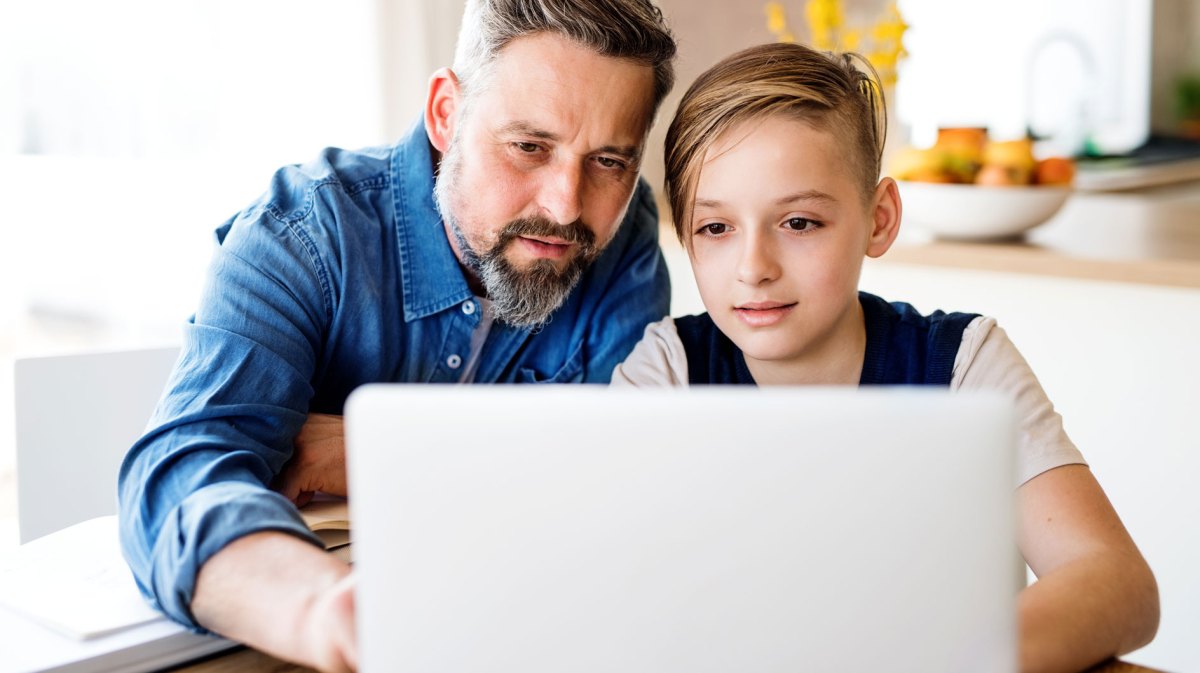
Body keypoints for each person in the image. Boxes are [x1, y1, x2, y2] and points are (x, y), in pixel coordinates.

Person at [117, 1, 676, 671]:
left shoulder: (625, 241)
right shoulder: (302, 235)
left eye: (610, 160)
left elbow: (619, 480)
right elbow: (181, 476)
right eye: (529, 146)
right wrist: (333, 616)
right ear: (446, 113)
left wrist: (375, 447)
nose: (564, 205)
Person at [610, 42, 1159, 673]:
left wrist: (965, 659)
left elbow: (1119, 583)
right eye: (716, 229)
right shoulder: (665, 376)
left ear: (879, 218)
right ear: (685, 235)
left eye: (799, 223)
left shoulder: (964, 365)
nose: (754, 268)